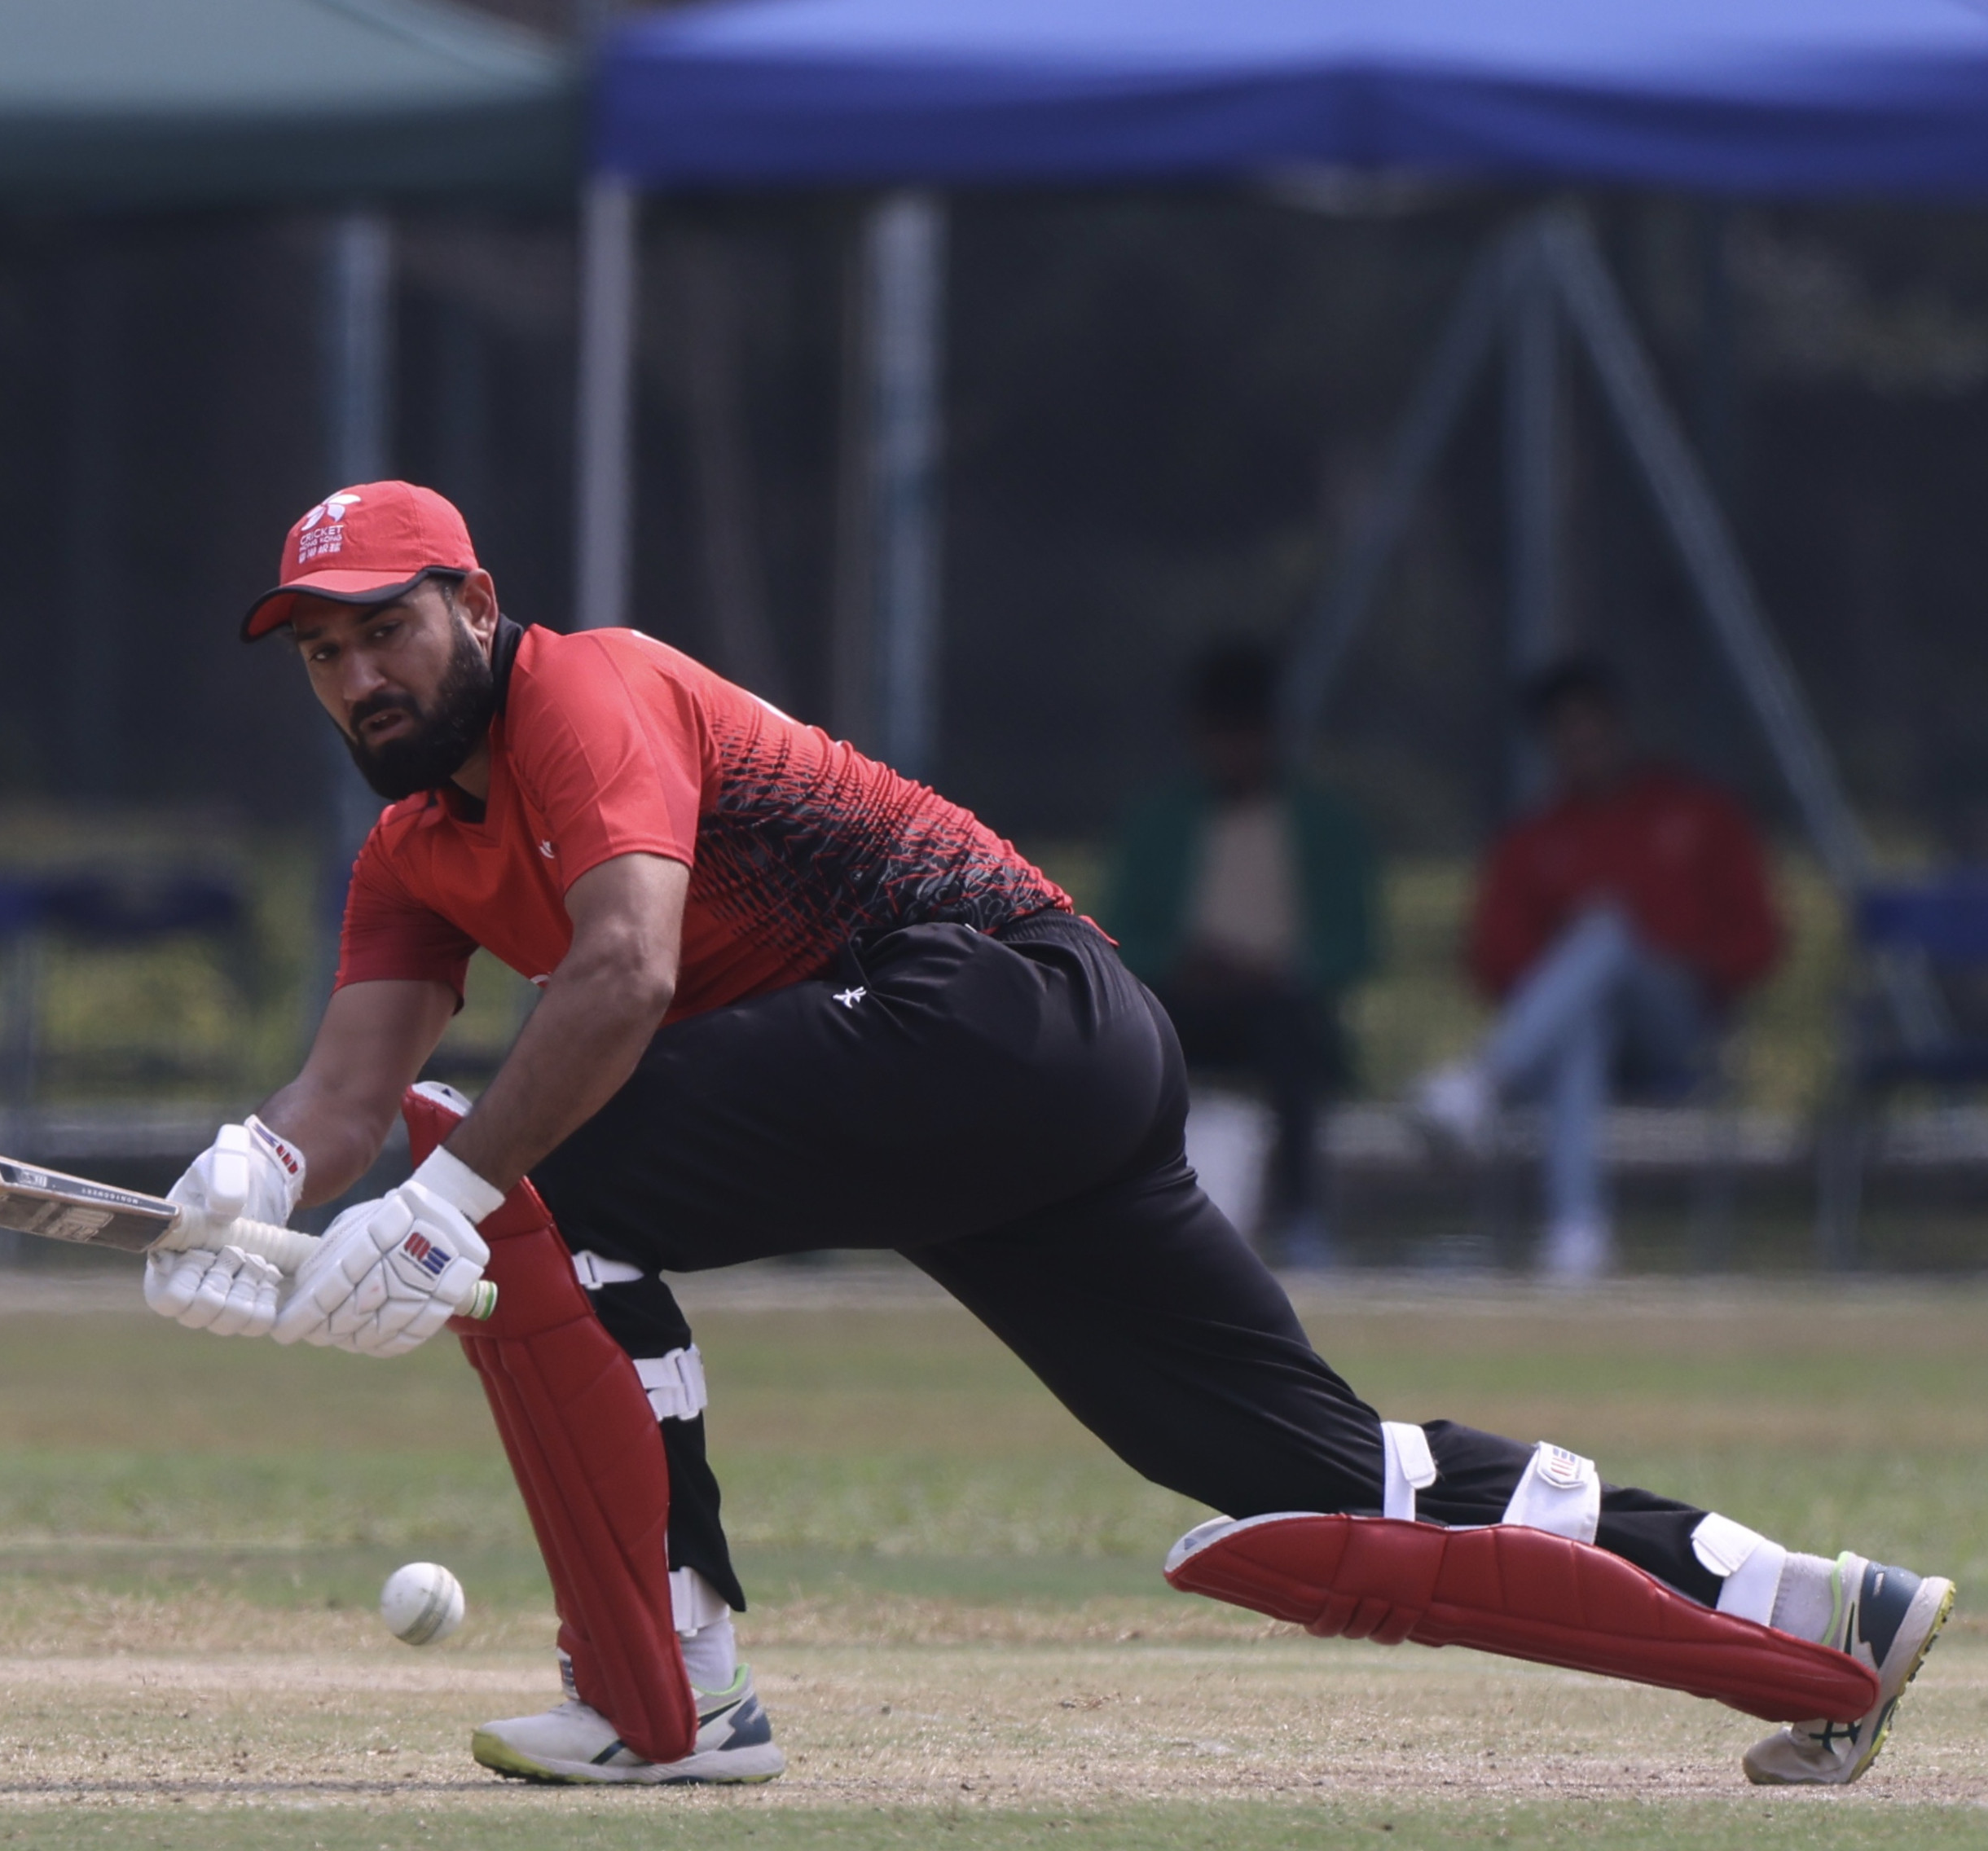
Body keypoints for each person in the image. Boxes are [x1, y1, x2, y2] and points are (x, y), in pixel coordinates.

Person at [142, 482, 1946, 1790]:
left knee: (557, 1176)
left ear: (475, 600)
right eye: (321, 651)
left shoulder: (582, 691)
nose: (360, 673)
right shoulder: (409, 850)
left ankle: (668, 1679)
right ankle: (1809, 1610)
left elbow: (620, 975)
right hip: (1004, 1095)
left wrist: (454, 1200)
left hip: (989, 1005)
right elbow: (344, 1092)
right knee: (1320, 1479)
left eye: (387, 625)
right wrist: (249, 1178)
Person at [1413, 658, 1782, 1282]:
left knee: (1606, 933)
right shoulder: (1531, 839)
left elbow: (1759, 937)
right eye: (1565, 732)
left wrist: (1692, 965)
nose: (1582, 744)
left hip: (1680, 1032)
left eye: (1593, 727)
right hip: (1579, 1041)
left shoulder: (1696, 813)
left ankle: (1483, 1080)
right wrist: (1569, 984)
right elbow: (1491, 958)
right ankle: (1577, 1236)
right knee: (1581, 1026)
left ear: (1619, 727)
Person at [1105, 641, 1376, 1266]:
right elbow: (1117, 932)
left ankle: (1302, 1223)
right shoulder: (1159, 822)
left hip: (1280, 1003)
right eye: (1220, 735)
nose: (1234, 751)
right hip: (1182, 999)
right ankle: (1131, 1222)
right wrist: (1179, 961)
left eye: (1246, 733)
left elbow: (1352, 942)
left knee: (1292, 1039)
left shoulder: (1323, 823)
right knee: (1132, 1046)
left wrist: (1282, 970)